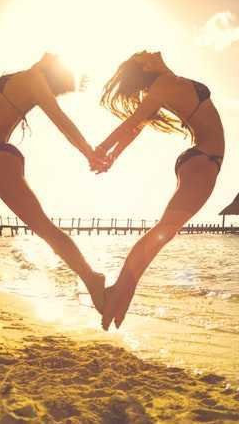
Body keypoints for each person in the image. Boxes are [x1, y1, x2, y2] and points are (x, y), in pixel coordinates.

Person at [94, 51, 225, 330]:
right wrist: (103, 149)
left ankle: (120, 294)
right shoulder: (162, 86)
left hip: (201, 160)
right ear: (145, 65)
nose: (146, 51)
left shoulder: (167, 82)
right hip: (203, 160)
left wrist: (113, 155)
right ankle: (119, 292)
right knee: (164, 231)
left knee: (164, 231)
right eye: (140, 54)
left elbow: (135, 129)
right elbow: (132, 123)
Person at [0, 53, 107, 313]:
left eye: (53, 58)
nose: (49, 54)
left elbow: (61, 121)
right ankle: (86, 277)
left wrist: (89, 152)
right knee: (42, 227)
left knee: (44, 228)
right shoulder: (31, 77)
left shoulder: (34, 80)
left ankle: (91, 278)